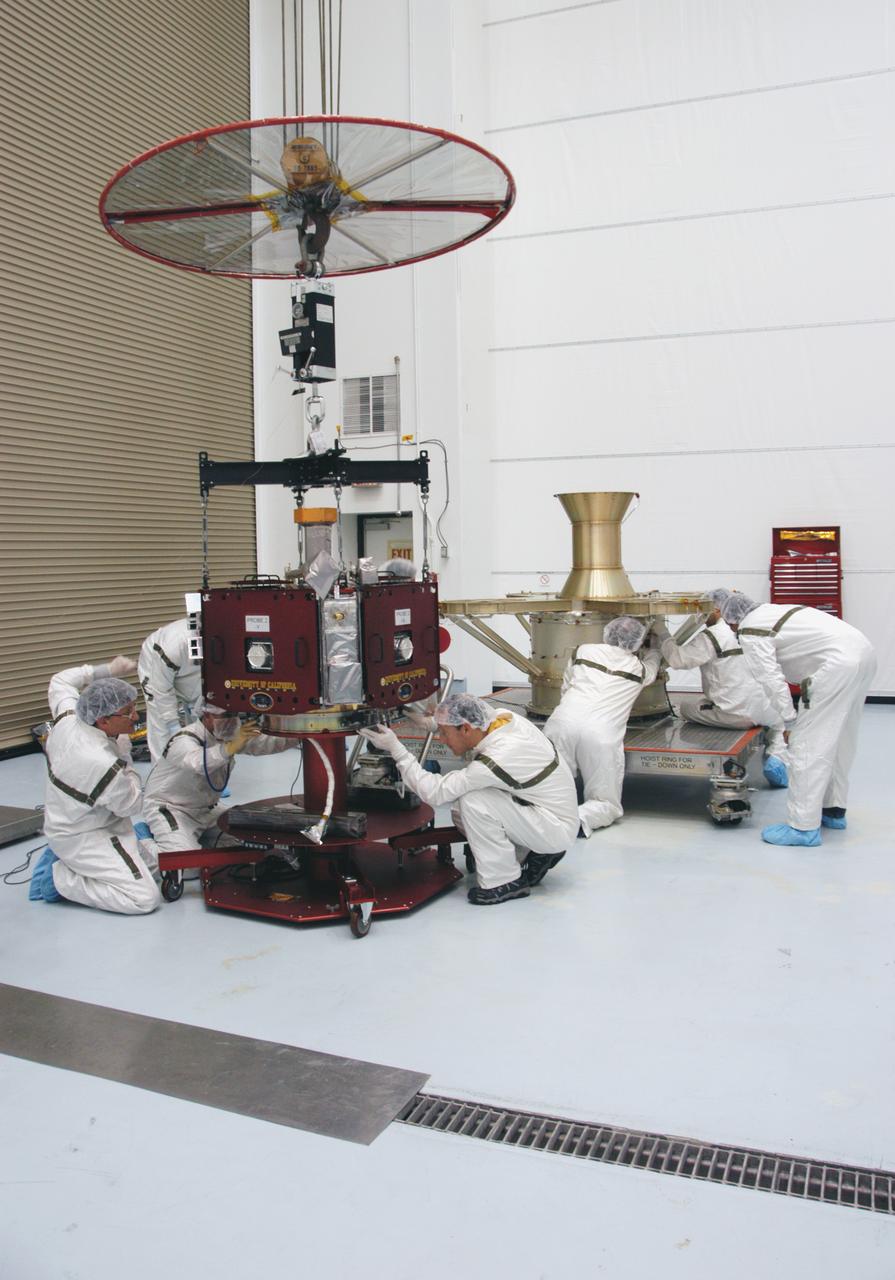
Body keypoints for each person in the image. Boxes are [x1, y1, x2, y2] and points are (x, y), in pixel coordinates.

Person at [359, 693, 579, 905]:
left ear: (465, 729)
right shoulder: (502, 720)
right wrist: (430, 723)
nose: (442, 740)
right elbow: (467, 719)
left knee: (473, 802)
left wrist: (397, 749)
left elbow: (435, 792)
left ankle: (504, 880)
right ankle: (531, 850)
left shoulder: (496, 758)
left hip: (555, 826)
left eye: (444, 733)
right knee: (460, 812)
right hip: (546, 810)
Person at [721, 593, 877, 846]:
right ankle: (833, 810)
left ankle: (803, 827)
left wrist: (789, 722)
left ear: (731, 620)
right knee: (841, 739)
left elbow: (771, 680)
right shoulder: (771, 612)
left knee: (807, 746)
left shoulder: (751, 630)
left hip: (835, 666)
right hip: (863, 654)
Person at [31, 658, 161, 914]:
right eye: (128, 712)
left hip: (80, 818)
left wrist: (108, 670)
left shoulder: (70, 718)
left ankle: (128, 848)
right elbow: (131, 805)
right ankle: (57, 878)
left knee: (158, 868)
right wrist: (125, 758)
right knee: (145, 899)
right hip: (84, 836)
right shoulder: (100, 763)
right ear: (103, 721)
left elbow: (60, 680)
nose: (136, 717)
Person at [659, 588, 789, 788]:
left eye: (705, 610)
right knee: (778, 726)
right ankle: (777, 758)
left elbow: (677, 660)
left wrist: (661, 632)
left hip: (734, 714)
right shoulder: (755, 630)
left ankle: (710, 709)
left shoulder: (713, 635)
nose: (700, 616)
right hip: (765, 708)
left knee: (685, 707)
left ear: (719, 610)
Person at [544, 616, 662, 836]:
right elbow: (653, 667)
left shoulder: (582, 651)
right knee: (606, 802)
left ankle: (544, 814)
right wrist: (654, 648)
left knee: (549, 784)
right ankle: (580, 819)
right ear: (636, 642)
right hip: (600, 735)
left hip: (561, 724)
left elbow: (567, 686)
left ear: (608, 632)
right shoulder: (638, 669)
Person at [142, 704, 298, 854]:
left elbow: (265, 744)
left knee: (253, 840)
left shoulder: (225, 735)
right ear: (207, 715)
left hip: (207, 809)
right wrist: (230, 748)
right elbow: (199, 763)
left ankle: (197, 841)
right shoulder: (184, 739)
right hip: (173, 809)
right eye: (226, 715)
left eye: (235, 714)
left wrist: (301, 733)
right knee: (183, 866)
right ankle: (143, 840)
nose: (233, 720)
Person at [138, 617, 203, 761]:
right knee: (162, 726)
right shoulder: (173, 645)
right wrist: (172, 724)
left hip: (192, 668)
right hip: (156, 664)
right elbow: (160, 689)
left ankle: (199, 768)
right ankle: (162, 775)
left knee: (201, 717)